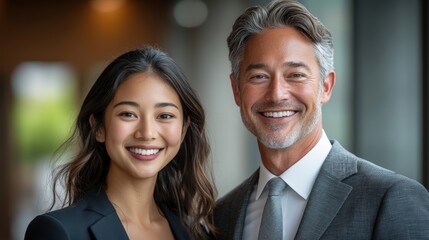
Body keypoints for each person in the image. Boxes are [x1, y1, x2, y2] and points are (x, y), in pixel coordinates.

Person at [213, 0, 429, 239]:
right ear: (236, 89)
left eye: (295, 75)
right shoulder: (221, 216)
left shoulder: (390, 198)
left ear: (326, 86)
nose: (276, 94)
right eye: (259, 76)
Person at [25, 46, 216, 240]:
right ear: (98, 127)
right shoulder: (58, 232)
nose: (147, 133)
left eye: (165, 115)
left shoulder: (198, 235)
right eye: (128, 114)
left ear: (183, 129)